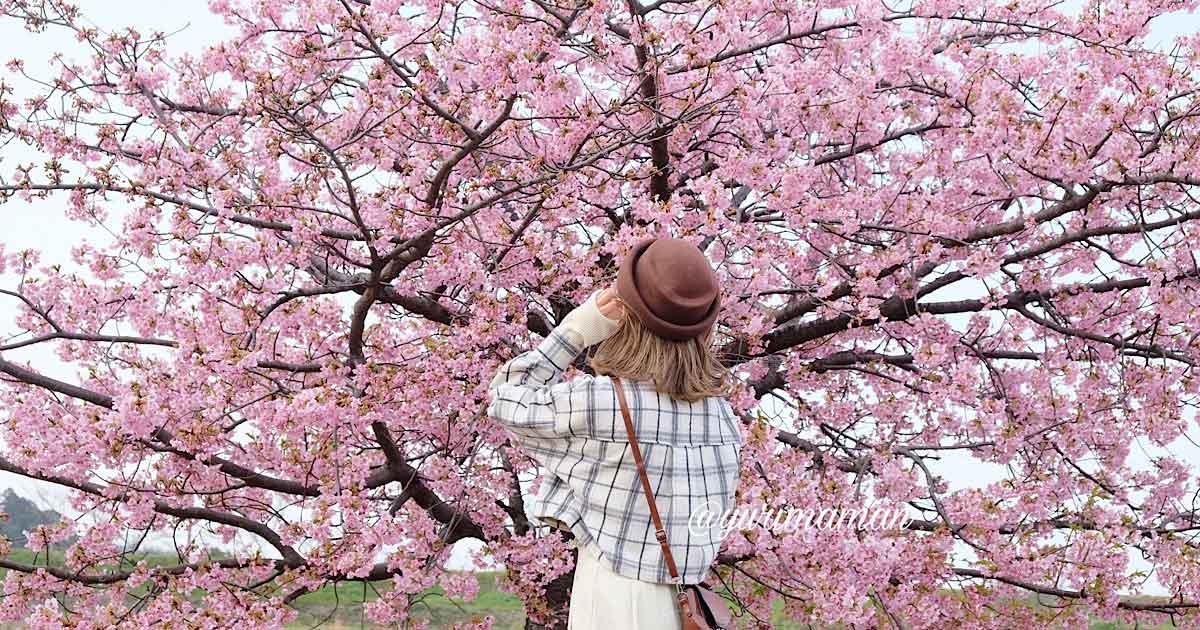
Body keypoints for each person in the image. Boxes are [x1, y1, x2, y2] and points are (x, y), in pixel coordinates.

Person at [487, 236, 743, 630]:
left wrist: (577, 328)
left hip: (616, 598)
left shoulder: (601, 403)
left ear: (626, 318)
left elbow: (506, 397)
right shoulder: (722, 415)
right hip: (686, 602)